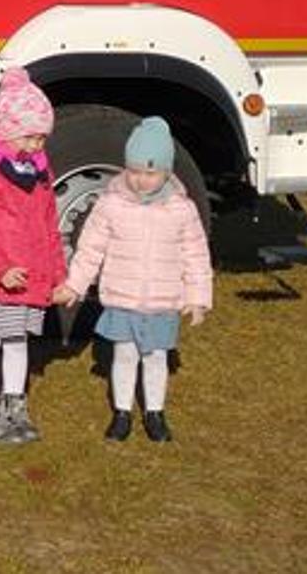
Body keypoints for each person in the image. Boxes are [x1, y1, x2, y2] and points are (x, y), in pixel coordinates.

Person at [55, 118, 213, 443]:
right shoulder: (111, 204)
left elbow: (196, 255)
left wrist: (198, 296)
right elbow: (90, 249)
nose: (142, 180)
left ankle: (155, 412)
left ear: (167, 172)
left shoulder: (181, 209)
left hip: (162, 301)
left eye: (150, 173)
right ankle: (122, 412)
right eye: (135, 172)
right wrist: (75, 285)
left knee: (156, 357)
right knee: (124, 355)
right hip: (122, 299)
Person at [0, 67, 66, 445]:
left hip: (30, 279)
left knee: (18, 340)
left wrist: (57, 274)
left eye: (42, 138)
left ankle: (14, 404)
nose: (37, 146)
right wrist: (0, 269)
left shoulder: (39, 174)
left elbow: (50, 227)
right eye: (31, 137)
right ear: (7, 131)